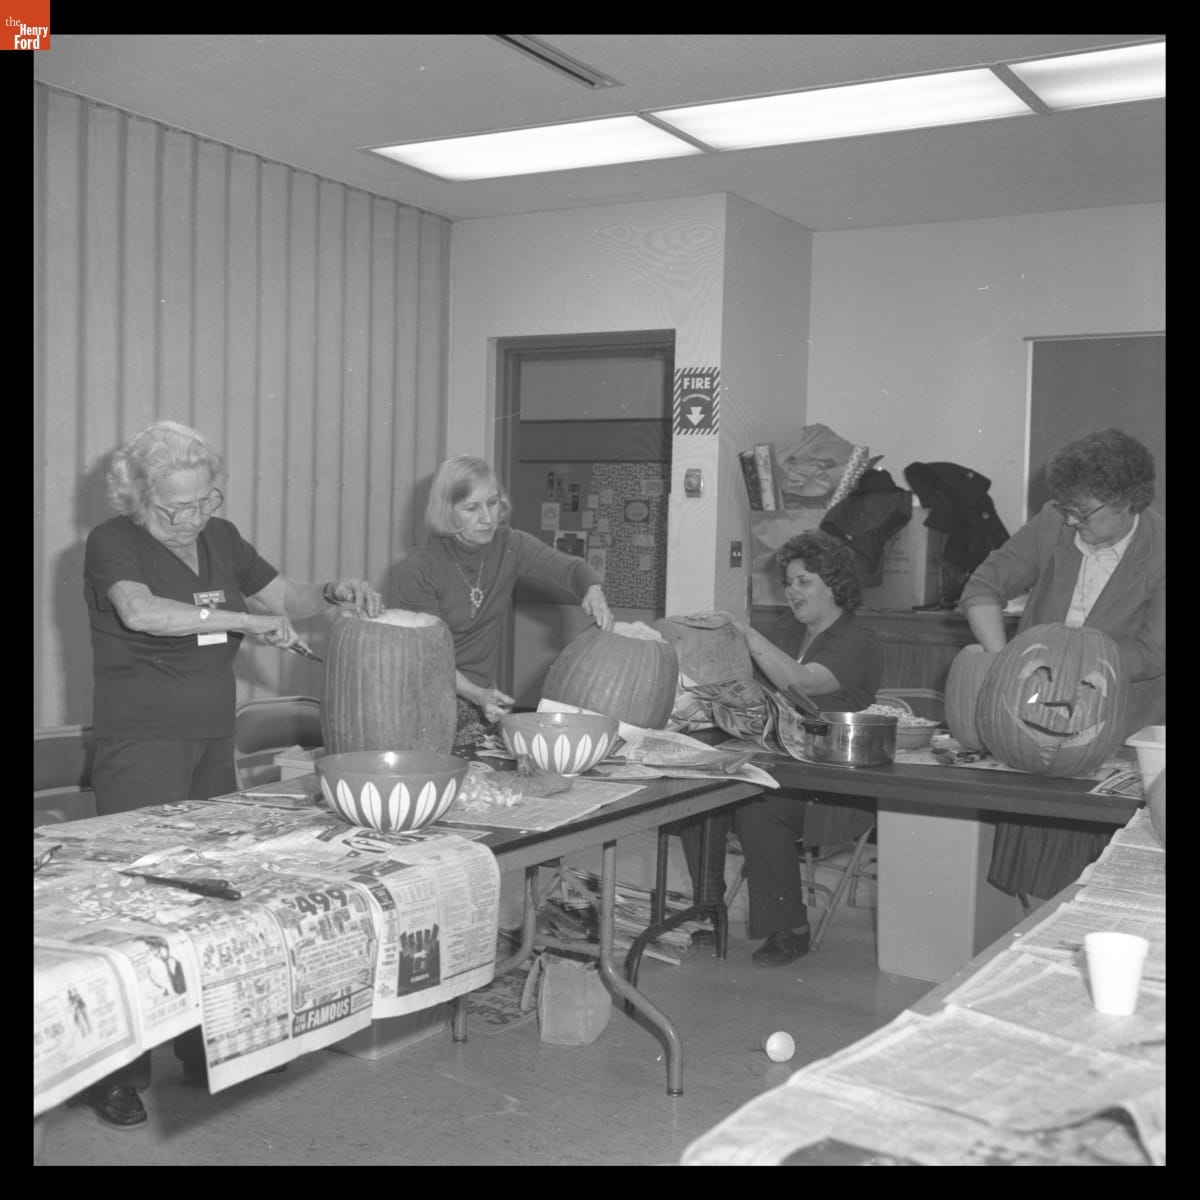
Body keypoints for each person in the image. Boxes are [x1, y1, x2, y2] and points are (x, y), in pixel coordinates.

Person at [72, 419, 383, 1130]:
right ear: (138, 498)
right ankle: (118, 1073)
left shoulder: (222, 537)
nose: (188, 521)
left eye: (202, 501)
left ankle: (199, 1047)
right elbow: (142, 612)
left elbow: (289, 598)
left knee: (209, 894)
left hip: (213, 737)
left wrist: (334, 590)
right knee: (137, 901)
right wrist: (243, 624)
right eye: (171, 508)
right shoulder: (113, 542)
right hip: (141, 741)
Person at [960, 428, 1165, 902]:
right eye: (1066, 508)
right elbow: (984, 587)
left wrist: (1070, 663)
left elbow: (1154, 651)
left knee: (1096, 886)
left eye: (1084, 511)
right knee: (1034, 878)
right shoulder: (1057, 522)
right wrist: (1001, 664)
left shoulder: (1162, 549)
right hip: (1029, 724)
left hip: (1115, 732)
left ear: (1128, 501)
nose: (1072, 521)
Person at [725, 531, 882, 966]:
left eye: (804, 581)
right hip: (787, 764)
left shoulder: (858, 638)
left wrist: (745, 634)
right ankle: (707, 913)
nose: (793, 591)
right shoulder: (790, 632)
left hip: (834, 783)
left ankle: (789, 928)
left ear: (834, 585)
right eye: (789, 582)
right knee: (704, 798)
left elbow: (804, 681)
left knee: (756, 809)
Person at [394, 455, 613, 753]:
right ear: (447, 512)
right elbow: (430, 659)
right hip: (424, 699)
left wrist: (592, 588)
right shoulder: (420, 567)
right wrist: (477, 694)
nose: (488, 518)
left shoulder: (510, 545)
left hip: (478, 698)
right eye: (472, 508)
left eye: (493, 503)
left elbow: (570, 570)